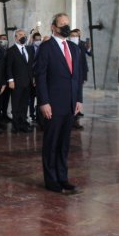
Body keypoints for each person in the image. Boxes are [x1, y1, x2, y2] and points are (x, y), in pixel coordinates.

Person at [34, 13, 83, 193]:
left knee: (64, 144)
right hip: (52, 104)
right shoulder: (46, 47)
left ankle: (63, 177)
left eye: (67, 24)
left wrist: (79, 99)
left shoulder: (73, 47)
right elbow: (40, 76)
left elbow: (76, 77)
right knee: (51, 143)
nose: (66, 27)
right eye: (62, 24)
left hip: (70, 103)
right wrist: (44, 102)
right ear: (53, 27)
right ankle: (51, 180)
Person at [6, 29, 34, 133]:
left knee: (24, 104)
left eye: (24, 34)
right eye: (21, 35)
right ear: (16, 37)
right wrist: (10, 80)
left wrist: (33, 78)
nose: (23, 36)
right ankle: (16, 125)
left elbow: (30, 66)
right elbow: (8, 67)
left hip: (27, 82)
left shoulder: (29, 50)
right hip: (16, 82)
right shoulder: (11, 50)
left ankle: (23, 124)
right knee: (16, 104)